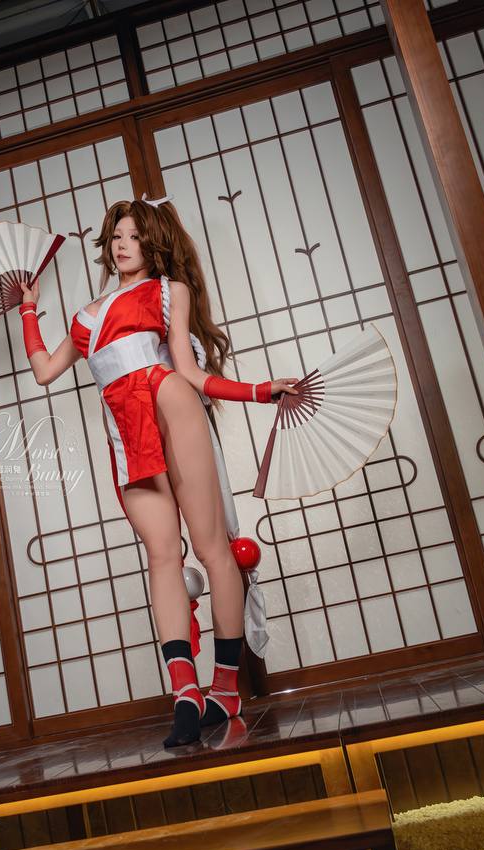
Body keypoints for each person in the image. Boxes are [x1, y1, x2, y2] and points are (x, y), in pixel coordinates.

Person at [18, 196, 297, 748]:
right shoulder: (85, 318)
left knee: (213, 548)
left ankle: (226, 688)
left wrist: (259, 391)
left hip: (170, 400)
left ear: (153, 244)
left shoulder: (170, 291)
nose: (124, 245)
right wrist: (28, 309)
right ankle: (186, 695)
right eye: (117, 237)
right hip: (125, 428)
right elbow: (45, 371)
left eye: (135, 237)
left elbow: (190, 372)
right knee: (162, 556)